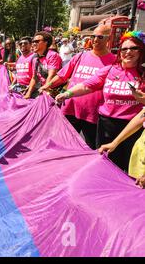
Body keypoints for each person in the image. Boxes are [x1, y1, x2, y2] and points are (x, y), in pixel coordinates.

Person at [56, 31, 145, 172]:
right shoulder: (110, 70)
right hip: (106, 126)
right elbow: (87, 85)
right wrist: (67, 94)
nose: (128, 52)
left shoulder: (143, 74)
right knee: (104, 165)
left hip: (132, 128)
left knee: (127, 168)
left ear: (141, 51)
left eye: (133, 48)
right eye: (124, 49)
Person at [40, 25, 116, 149]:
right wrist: (47, 86)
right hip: (70, 109)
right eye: (93, 36)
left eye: (100, 37)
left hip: (93, 115)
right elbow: (62, 76)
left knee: (91, 150)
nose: (95, 40)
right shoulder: (80, 56)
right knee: (62, 145)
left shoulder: (114, 61)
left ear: (109, 38)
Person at [24, 31, 62, 99]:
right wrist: (28, 94)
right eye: (33, 41)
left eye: (37, 41)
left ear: (46, 42)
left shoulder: (53, 55)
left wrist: (44, 93)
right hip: (43, 89)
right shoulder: (35, 58)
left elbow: (51, 75)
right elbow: (34, 77)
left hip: (56, 91)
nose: (33, 44)